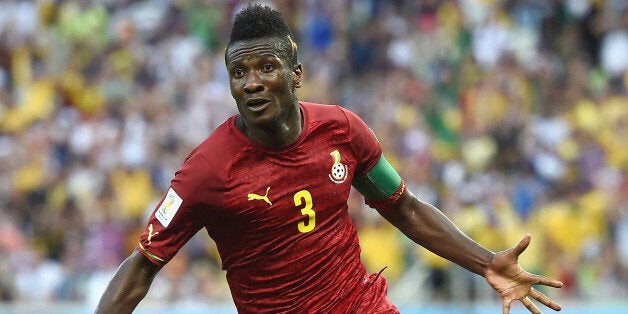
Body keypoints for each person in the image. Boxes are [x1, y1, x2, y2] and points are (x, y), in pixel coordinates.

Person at [96, 4, 563, 314]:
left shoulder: (343, 130)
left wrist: (486, 263)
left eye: (265, 67)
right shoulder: (208, 171)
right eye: (239, 72)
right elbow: (142, 265)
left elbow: (405, 207)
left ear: (296, 74)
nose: (251, 83)